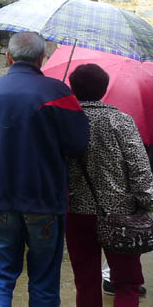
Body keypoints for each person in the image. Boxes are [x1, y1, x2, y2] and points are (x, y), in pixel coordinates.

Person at [0, 31, 90, 306]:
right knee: (44, 281)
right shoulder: (58, 93)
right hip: (44, 200)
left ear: (9, 57)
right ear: (42, 59)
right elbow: (78, 145)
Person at [65, 63, 153, 307]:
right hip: (120, 214)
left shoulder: (64, 121)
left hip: (76, 212)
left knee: (86, 281)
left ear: (72, 87)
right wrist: (147, 202)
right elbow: (139, 167)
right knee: (127, 283)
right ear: (104, 89)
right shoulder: (121, 121)